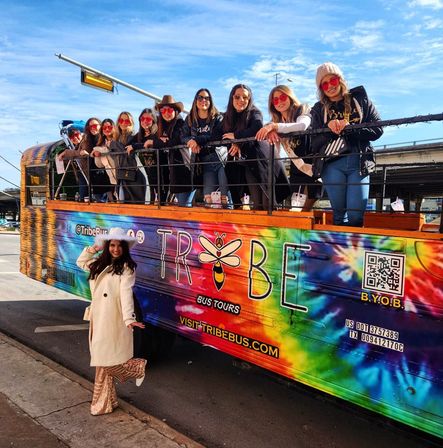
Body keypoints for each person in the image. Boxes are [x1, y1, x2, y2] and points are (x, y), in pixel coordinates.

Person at [76, 227, 147, 416]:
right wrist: (95, 247)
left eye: (119, 246)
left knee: (103, 361)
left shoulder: (127, 268)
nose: (116, 249)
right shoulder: (98, 264)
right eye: (112, 245)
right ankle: (118, 390)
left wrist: (129, 319)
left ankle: (101, 403)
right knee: (102, 360)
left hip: (112, 319)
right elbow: (80, 261)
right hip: (98, 318)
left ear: (125, 248)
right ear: (107, 246)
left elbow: (126, 295)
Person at [311, 62, 383, 227]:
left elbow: (378, 129)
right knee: (338, 215)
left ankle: (355, 251)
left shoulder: (360, 99)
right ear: (321, 88)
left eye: (333, 80)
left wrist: (350, 128)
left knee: (356, 215)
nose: (330, 86)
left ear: (340, 80)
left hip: (359, 162)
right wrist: (327, 128)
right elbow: (314, 143)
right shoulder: (318, 109)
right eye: (325, 84)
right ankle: (341, 252)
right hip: (332, 165)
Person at [222, 84, 289, 209]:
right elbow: (220, 135)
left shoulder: (254, 112)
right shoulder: (227, 117)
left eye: (245, 97)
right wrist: (234, 142)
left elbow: (257, 128)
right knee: (257, 204)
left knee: (268, 202)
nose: (241, 100)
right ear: (232, 98)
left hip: (263, 159)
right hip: (249, 163)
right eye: (237, 97)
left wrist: (236, 136)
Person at [256, 85, 321, 211]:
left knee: (306, 207)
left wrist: (274, 127)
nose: (279, 101)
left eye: (283, 97)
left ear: (290, 97)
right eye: (275, 100)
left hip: (313, 163)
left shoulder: (303, 108)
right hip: (297, 167)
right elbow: (276, 151)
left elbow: (302, 125)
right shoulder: (277, 121)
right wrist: (271, 130)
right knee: (297, 208)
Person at [182, 88, 228, 207]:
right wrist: (191, 141)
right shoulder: (190, 119)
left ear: (211, 101)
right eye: (200, 97)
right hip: (204, 161)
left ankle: (232, 223)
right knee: (209, 200)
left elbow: (215, 136)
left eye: (207, 98)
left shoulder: (218, 117)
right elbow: (183, 136)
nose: (203, 100)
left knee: (225, 197)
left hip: (220, 159)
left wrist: (197, 140)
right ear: (195, 100)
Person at [153, 95, 194, 207]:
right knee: (182, 206)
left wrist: (156, 143)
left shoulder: (180, 123)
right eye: (163, 110)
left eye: (169, 110)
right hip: (175, 174)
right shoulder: (163, 127)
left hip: (185, 170)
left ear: (175, 111)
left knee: (184, 207)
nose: (166, 113)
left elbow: (176, 141)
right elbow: (158, 141)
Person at [126, 108, 166, 204]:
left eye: (148, 119)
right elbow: (127, 146)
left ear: (153, 120)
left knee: (162, 203)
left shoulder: (159, 132)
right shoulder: (138, 135)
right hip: (144, 173)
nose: (144, 121)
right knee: (148, 202)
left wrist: (135, 146)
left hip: (160, 173)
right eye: (142, 119)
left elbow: (153, 144)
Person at [113, 111, 147, 204]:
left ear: (131, 122)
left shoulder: (135, 136)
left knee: (137, 205)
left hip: (134, 176)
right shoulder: (117, 138)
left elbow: (126, 149)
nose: (123, 123)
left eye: (127, 121)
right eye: (121, 120)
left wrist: (113, 144)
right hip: (122, 176)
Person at [91, 119, 118, 201]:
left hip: (119, 172)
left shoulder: (118, 140)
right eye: (104, 128)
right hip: (109, 173)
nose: (107, 129)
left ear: (114, 128)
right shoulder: (101, 143)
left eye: (109, 127)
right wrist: (94, 153)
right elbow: (99, 164)